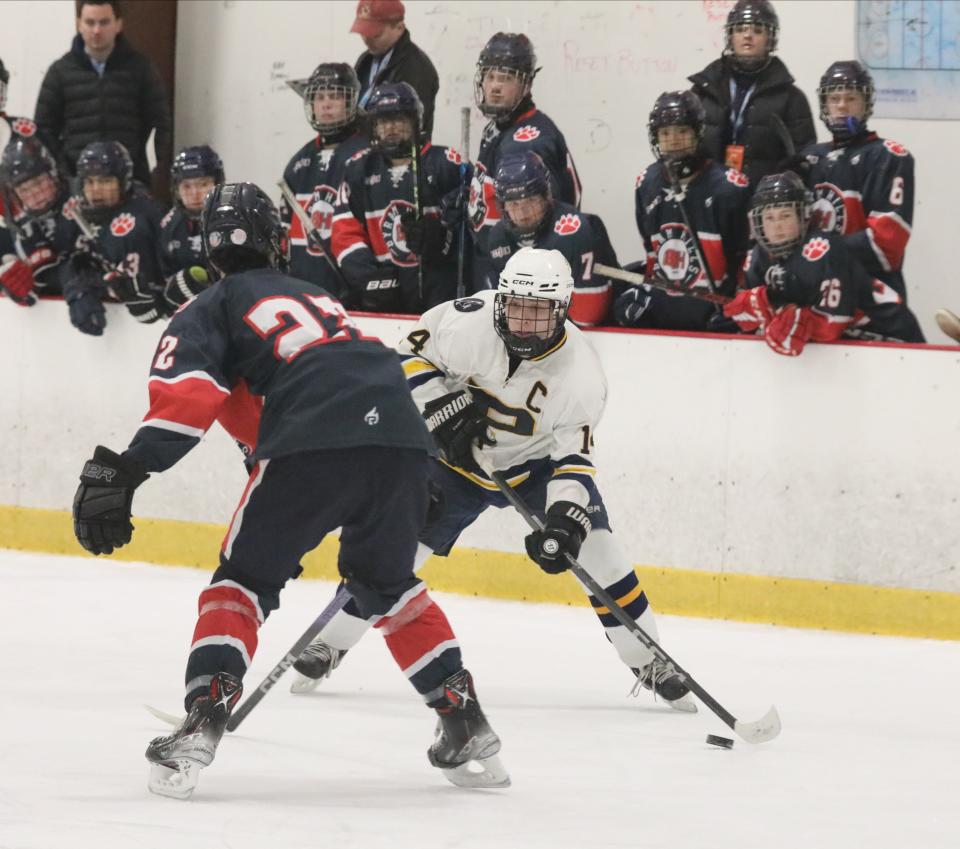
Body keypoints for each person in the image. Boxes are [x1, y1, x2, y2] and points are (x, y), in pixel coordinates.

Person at [70, 181, 509, 799]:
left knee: (240, 583)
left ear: (209, 247)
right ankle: (465, 721)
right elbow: (355, 376)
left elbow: (187, 400)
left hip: (312, 439)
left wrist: (127, 469)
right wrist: (411, 473)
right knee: (387, 585)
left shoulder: (210, 306)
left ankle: (203, 718)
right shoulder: (317, 295)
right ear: (278, 240)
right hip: (406, 441)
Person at [288, 247, 697, 713]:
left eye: (538, 312)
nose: (523, 322)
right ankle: (332, 641)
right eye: (516, 306)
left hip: (534, 470)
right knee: (393, 554)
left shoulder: (582, 376)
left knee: (598, 553)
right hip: (451, 466)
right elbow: (406, 359)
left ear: (562, 310)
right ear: (502, 299)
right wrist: (440, 408)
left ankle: (649, 658)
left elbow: (573, 463)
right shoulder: (467, 321)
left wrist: (564, 516)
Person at [723, 171, 924, 355]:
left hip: (888, 334)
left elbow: (832, 325)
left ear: (803, 216)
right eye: (769, 218)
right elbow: (749, 317)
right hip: (845, 349)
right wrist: (757, 309)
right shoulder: (757, 258)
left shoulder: (825, 249)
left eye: (785, 215)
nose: (777, 226)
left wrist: (802, 321)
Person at [613, 90, 750, 332]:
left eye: (682, 132)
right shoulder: (647, 183)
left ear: (698, 133)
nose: (674, 140)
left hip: (714, 318)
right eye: (665, 133)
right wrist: (646, 293)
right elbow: (651, 251)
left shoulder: (729, 188)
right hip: (665, 317)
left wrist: (739, 308)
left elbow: (745, 260)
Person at [330, 82, 463, 313]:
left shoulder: (446, 162)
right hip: (384, 299)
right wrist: (371, 281)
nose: (391, 127)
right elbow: (344, 234)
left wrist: (442, 237)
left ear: (415, 122)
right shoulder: (358, 169)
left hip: (440, 296)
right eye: (383, 121)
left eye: (399, 119)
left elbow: (469, 227)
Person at [467, 33, 583, 290]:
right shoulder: (500, 128)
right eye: (489, 76)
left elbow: (537, 219)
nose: (494, 86)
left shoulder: (526, 142)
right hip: (496, 260)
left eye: (505, 78)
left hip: (519, 272)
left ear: (526, 85)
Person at [800, 60, 914, 303]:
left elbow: (887, 245)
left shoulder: (887, 156)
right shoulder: (809, 158)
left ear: (866, 105)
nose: (842, 106)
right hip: (815, 294)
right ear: (824, 104)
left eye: (851, 99)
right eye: (834, 98)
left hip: (870, 295)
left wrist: (817, 254)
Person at [34, 1, 172, 190]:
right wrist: (65, 177)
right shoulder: (59, 73)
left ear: (118, 24)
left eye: (104, 22)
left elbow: (161, 126)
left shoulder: (141, 70)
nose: (97, 30)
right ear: (79, 24)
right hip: (76, 187)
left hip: (131, 186)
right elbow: (43, 133)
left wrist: (149, 172)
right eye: (90, 22)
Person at [484, 150, 620, 327]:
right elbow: (502, 315)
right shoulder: (498, 238)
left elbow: (587, 317)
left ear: (546, 196)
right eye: (514, 204)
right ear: (503, 206)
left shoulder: (572, 232)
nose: (522, 213)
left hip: (586, 338)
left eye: (530, 201)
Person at [688, 0, 815, 187]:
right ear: (730, 36)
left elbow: (803, 157)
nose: (747, 36)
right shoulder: (703, 90)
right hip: (711, 195)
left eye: (757, 31)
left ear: (770, 39)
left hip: (766, 202)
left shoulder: (791, 97)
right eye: (740, 30)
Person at [60, 140, 167, 335]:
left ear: (123, 182)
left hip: (154, 330)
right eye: (89, 182)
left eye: (105, 181)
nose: (96, 190)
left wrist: (92, 285)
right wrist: (78, 290)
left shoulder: (144, 218)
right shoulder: (78, 215)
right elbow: (75, 262)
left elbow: (139, 281)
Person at [281, 62, 368, 300]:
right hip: (304, 292)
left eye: (335, 96)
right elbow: (284, 233)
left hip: (354, 292)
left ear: (350, 101)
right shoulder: (299, 163)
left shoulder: (368, 154)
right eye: (319, 97)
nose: (326, 104)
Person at [0, 136, 75, 305]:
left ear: (53, 173)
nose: (35, 195)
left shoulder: (81, 200)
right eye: (24, 189)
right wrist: (23, 291)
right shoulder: (21, 223)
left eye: (39, 182)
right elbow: (45, 280)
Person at [351, 0, 439, 139]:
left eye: (375, 34)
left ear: (399, 28)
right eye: (363, 33)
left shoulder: (417, 67)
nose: (367, 40)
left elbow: (408, 124)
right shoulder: (365, 60)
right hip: (365, 151)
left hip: (397, 153)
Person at [158, 145, 224, 308]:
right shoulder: (170, 225)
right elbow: (164, 277)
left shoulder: (237, 219)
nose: (195, 194)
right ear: (176, 189)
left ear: (218, 183)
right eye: (186, 186)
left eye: (203, 184)